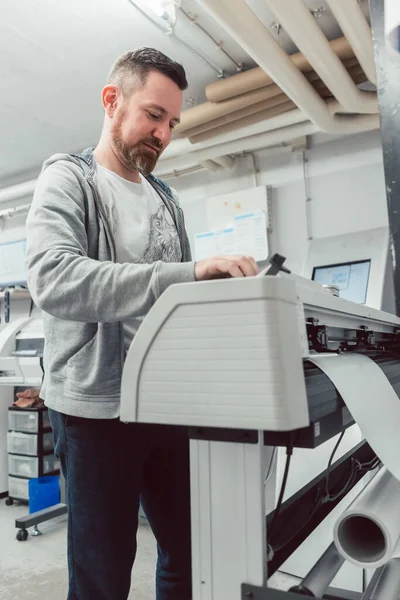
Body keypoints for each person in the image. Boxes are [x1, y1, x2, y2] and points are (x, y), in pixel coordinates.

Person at [26, 47, 259, 600]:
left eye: (173, 123)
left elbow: (176, 299)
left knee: (188, 552)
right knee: (103, 571)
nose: (164, 134)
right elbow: (55, 280)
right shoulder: (69, 180)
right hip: (95, 410)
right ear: (113, 101)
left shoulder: (167, 200)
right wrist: (185, 273)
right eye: (155, 115)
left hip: (166, 402)